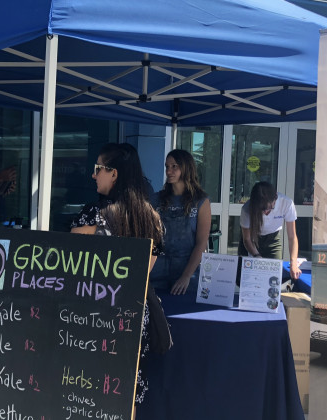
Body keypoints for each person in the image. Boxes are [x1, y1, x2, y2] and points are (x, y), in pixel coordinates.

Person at [70, 144, 164, 410]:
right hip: (133, 314)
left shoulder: (92, 216)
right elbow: (144, 272)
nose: (93, 175)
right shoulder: (152, 219)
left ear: (114, 174)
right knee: (127, 391)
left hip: (93, 312)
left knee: (86, 388)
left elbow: (73, 266)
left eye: (98, 168)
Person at [150, 149, 210, 295]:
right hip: (158, 268)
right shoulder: (156, 199)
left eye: (174, 166)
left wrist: (186, 276)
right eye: (167, 166)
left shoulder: (200, 201)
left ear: (186, 168)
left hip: (187, 269)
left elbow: (201, 243)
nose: (169, 171)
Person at [239, 181, 301, 279]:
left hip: (273, 239)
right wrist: (256, 256)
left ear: (275, 198)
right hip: (252, 239)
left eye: (269, 208)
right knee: (244, 277)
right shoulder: (247, 209)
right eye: (262, 210)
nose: (266, 212)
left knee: (274, 276)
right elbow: (247, 239)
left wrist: (294, 262)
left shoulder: (287, 203)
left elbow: (292, 236)